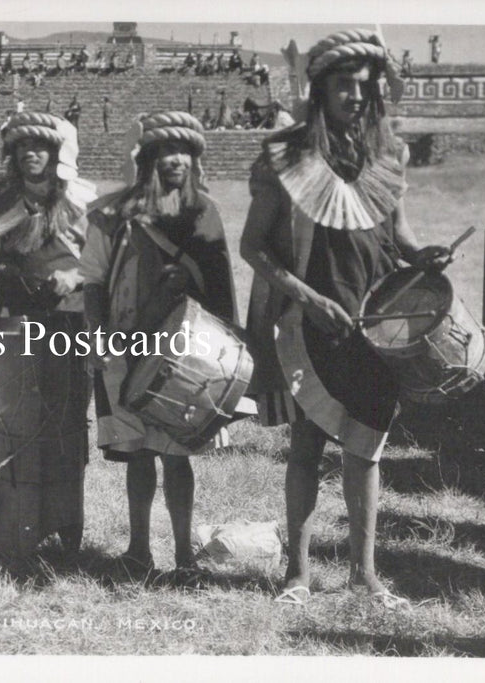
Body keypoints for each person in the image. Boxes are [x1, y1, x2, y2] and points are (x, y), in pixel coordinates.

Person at [239, 29, 450, 608]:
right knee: (307, 445)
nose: (356, 95)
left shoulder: (387, 155)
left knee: (367, 449)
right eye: (344, 84)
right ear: (320, 88)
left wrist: (422, 254)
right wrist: (308, 299)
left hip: (376, 324)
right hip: (312, 322)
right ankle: (298, 576)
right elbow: (253, 248)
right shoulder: (287, 157)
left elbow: (398, 236)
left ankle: (365, 575)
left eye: (365, 85)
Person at [80, 111, 242, 586]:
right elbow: (92, 280)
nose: (175, 160)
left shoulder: (203, 213)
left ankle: (184, 555)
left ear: (194, 159)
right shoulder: (115, 214)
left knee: (177, 454)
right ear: (148, 159)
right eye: (165, 152)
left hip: (186, 352)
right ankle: (138, 549)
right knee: (137, 453)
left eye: (184, 152)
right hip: (125, 344)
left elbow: (220, 287)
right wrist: (95, 335)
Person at [0, 112, 95, 314]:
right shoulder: (0, 200)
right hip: (14, 314)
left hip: (67, 315)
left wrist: (74, 276)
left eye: (38, 146)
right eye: (23, 146)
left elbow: (104, 262)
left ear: (55, 152)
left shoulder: (77, 201)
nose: (29, 153)